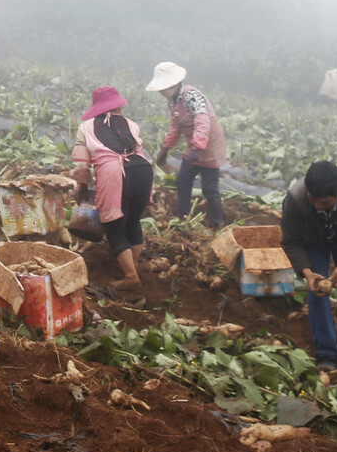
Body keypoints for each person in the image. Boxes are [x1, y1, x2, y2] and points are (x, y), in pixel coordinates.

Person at [280, 160, 337, 372]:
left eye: (324, 202)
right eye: (313, 200)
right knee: (317, 291)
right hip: (314, 239)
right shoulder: (295, 197)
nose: (317, 206)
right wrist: (307, 272)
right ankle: (327, 355)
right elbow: (290, 241)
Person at [69, 86, 154, 291]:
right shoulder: (132, 125)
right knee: (133, 222)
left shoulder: (86, 128)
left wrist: (81, 186)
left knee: (114, 227)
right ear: (118, 106)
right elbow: (138, 150)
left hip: (115, 174)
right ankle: (131, 269)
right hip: (143, 171)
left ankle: (131, 277)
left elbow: (82, 164)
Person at [145, 61, 227, 228]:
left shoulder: (191, 96)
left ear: (175, 84)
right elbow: (176, 126)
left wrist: (197, 148)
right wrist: (166, 148)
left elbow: (203, 122)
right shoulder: (173, 101)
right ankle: (182, 218)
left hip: (208, 144)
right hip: (194, 145)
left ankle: (217, 221)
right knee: (182, 181)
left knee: (209, 189)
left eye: (165, 87)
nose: (162, 91)